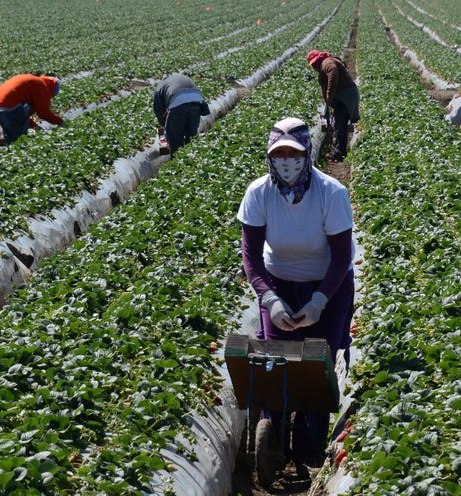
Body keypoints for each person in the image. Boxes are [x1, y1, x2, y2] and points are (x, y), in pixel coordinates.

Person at [237, 117, 355, 475]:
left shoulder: (331, 192)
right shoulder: (259, 193)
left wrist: (319, 301)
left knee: (316, 365)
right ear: (270, 157)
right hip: (279, 284)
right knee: (274, 364)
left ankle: (309, 443)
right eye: (280, 154)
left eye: (294, 153)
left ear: (307, 155)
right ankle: (272, 435)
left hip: (328, 287)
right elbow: (251, 257)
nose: (287, 161)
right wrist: (270, 300)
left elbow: (341, 256)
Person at [307, 49, 360, 162]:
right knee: (339, 124)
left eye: (316, 63)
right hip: (346, 95)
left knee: (340, 124)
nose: (315, 66)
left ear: (319, 58)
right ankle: (339, 150)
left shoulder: (327, 62)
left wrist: (329, 94)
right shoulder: (327, 62)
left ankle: (339, 152)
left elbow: (333, 71)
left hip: (345, 95)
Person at [0, 74, 64, 145]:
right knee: (19, 137)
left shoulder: (35, 82)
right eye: (52, 95)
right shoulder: (42, 87)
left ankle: (4, 134)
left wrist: (34, 126)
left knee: (12, 133)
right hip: (11, 105)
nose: (50, 97)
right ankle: (11, 140)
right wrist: (61, 122)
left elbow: (27, 112)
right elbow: (44, 114)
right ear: (51, 90)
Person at [152, 73, 210, 156]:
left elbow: (158, 110)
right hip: (196, 101)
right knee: (191, 136)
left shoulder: (160, 87)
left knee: (175, 139)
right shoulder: (180, 79)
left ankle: (176, 161)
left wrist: (164, 127)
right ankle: (191, 159)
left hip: (178, 101)